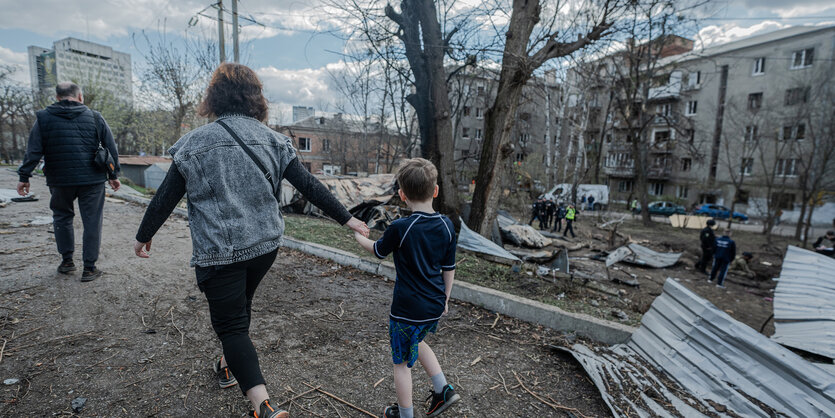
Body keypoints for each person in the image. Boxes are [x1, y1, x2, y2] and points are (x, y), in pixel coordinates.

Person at [132, 63, 369, 418]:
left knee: (231, 325)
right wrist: (348, 219)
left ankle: (263, 405)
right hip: (265, 246)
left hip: (221, 250)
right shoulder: (273, 140)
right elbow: (309, 186)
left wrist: (143, 235)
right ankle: (229, 365)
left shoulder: (194, 144)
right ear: (255, 98)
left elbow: (165, 196)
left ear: (214, 97)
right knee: (240, 308)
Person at [353, 158, 460, 418]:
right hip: (434, 304)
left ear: (402, 195)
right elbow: (449, 268)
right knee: (418, 339)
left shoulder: (401, 227)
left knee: (400, 364)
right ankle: (443, 389)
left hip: (407, 309)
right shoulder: (447, 225)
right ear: (435, 191)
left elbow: (379, 250)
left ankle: (405, 414)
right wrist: (445, 299)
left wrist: (358, 236)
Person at [16, 82, 121, 281]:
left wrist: (24, 177)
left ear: (57, 98)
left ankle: (67, 262)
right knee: (92, 221)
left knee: (62, 217)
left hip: (59, 179)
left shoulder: (43, 118)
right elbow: (111, 148)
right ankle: (89, 268)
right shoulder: (95, 117)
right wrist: (114, 176)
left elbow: (34, 151)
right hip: (92, 179)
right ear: (80, 96)